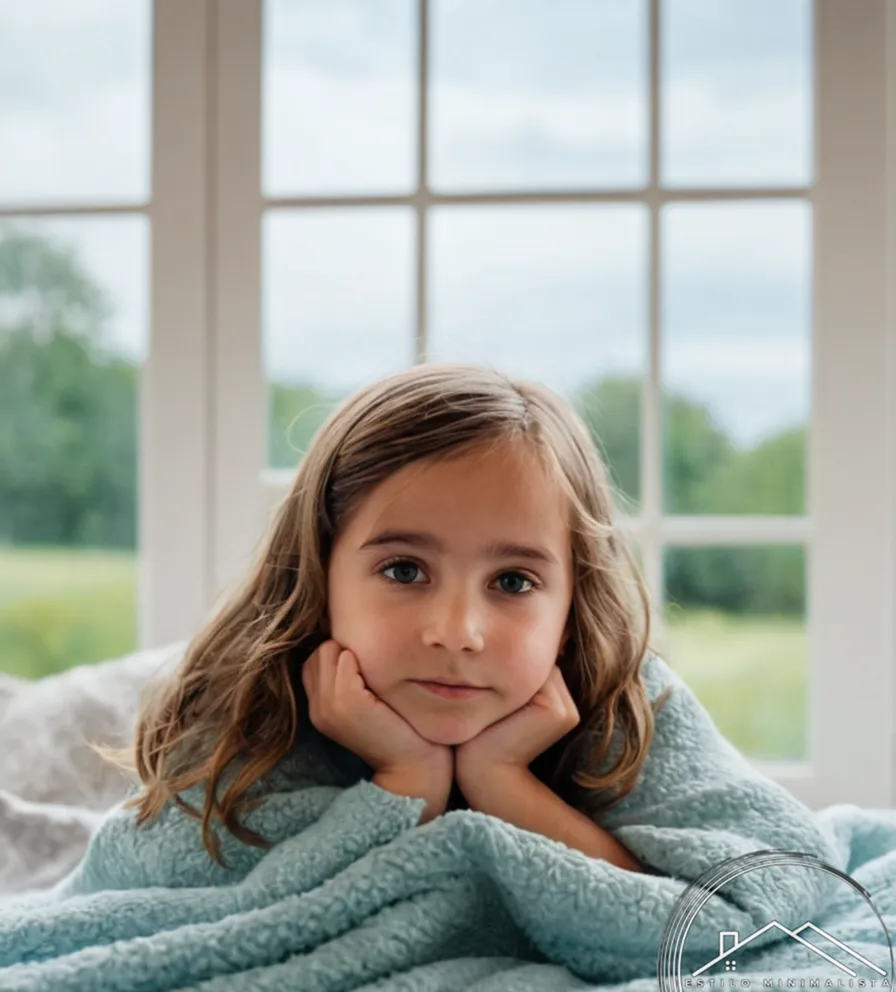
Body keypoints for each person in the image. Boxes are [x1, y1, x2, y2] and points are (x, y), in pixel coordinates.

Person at [97, 361, 679, 871]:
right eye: (405, 571)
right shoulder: (249, 710)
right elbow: (229, 928)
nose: (456, 633)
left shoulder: (632, 706)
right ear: (318, 578)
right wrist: (409, 783)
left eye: (512, 582)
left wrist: (503, 782)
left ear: (573, 611)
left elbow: (715, 921)